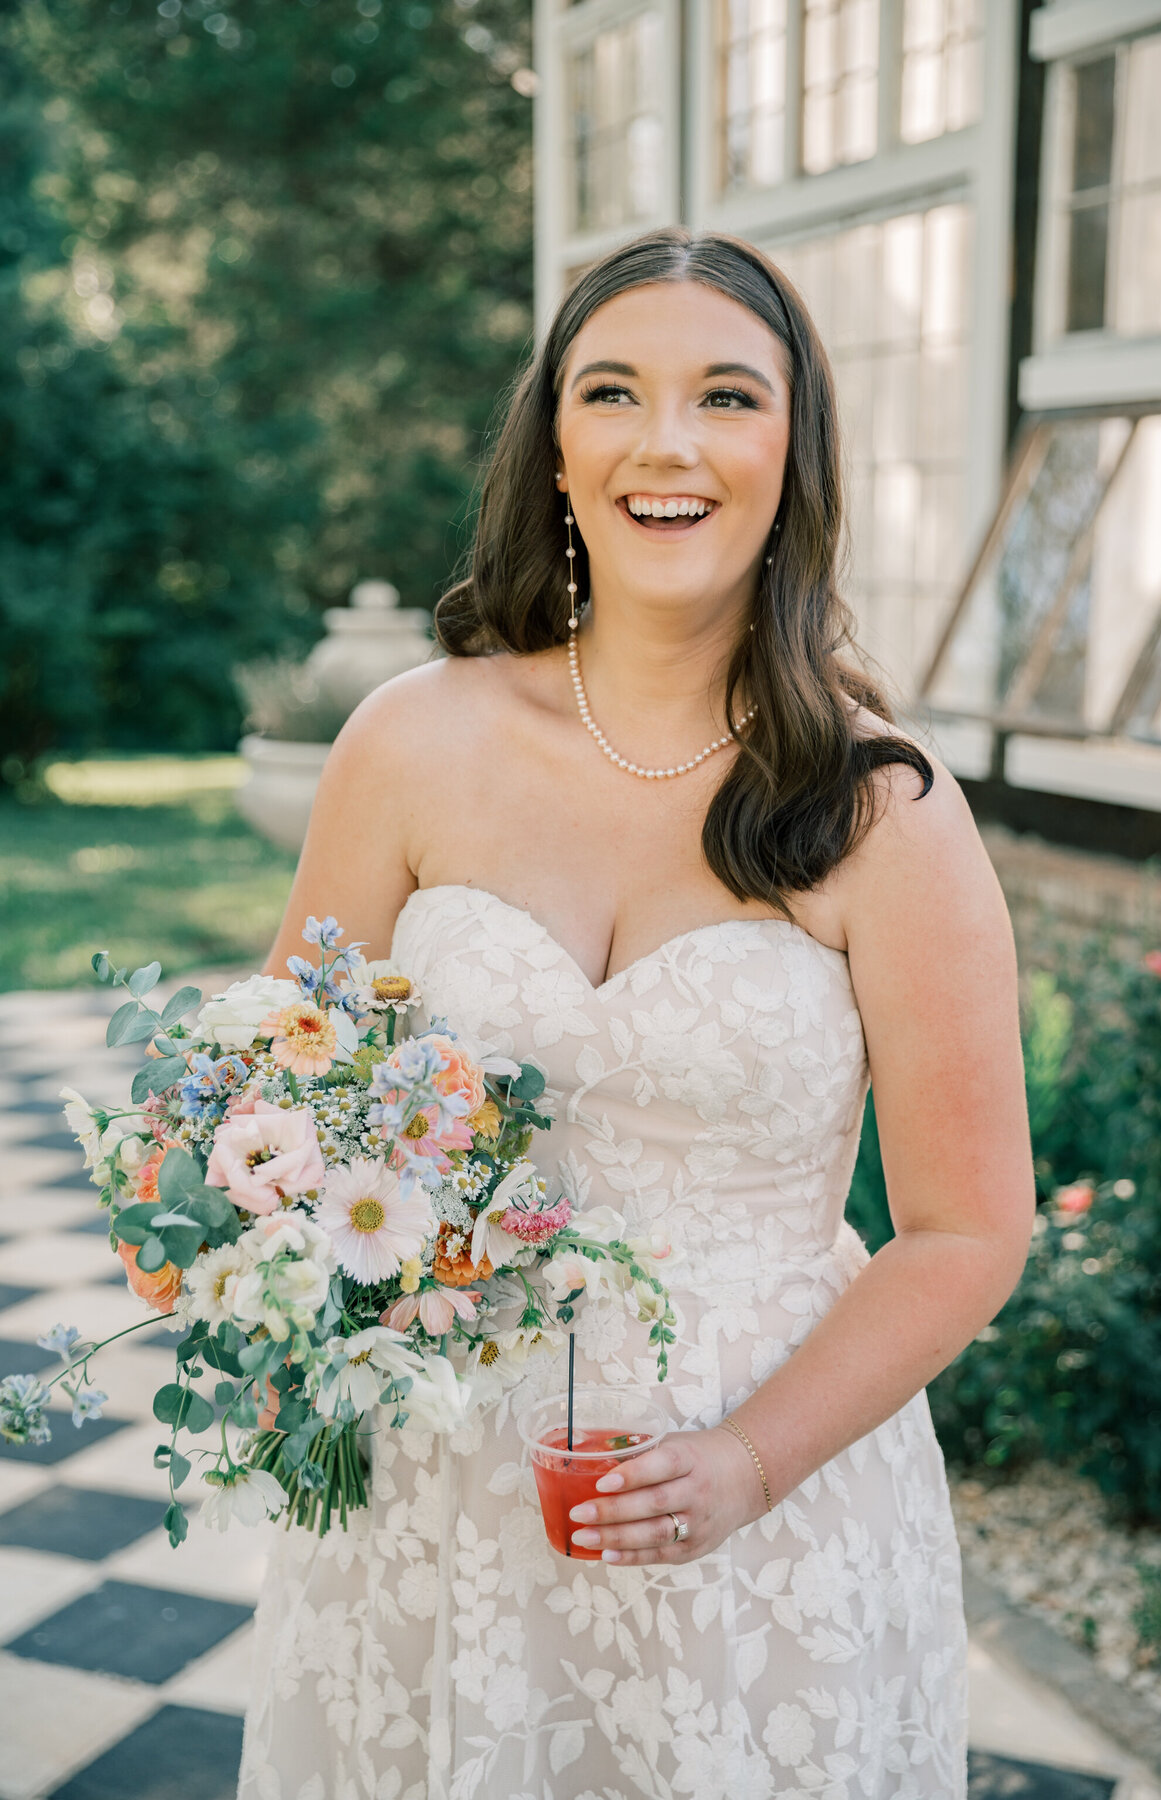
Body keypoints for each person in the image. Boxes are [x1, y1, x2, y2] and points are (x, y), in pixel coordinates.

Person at [236, 226, 1034, 1800]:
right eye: (614, 393)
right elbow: (287, 1080)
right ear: (554, 451)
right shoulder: (411, 740)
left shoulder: (883, 811)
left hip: (762, 1495)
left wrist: (746, 1462)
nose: (666, 444)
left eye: (727, 398)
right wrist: (254, 1242)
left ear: (792, 458)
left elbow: (968, 1228)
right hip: (441, 1474)